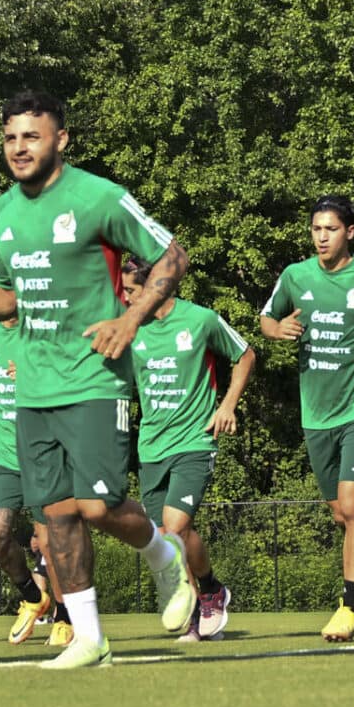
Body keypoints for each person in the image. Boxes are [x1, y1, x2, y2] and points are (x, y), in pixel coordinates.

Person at [0, 90, 200, 671]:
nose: (19, 148)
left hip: (93, 378)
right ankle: (90, 638)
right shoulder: (1, 211)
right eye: (10, 137)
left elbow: (173, 256)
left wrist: (130, 318)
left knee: (96, 503)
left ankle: (165, 555)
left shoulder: (98, 197)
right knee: (57, 515)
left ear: (60, 139)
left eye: (31, 136)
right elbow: (8, 290)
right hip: (33, 386)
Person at [260, 195, 354, 644]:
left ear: (350, 232)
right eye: (316, 229)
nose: (321, 236)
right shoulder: (295, 276)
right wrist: (279, 329)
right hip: (317, 414)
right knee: (343, 517)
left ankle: (350, 607)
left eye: (330, 229)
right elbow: (267, 319)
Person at [124, 257, 258, 639]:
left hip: (194, 441)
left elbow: (245, 355)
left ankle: (199, 608)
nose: (125, 297)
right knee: (168, 536)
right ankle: (211, 589)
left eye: (131, 290)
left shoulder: (201, 320)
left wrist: (228, 404)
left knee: (176, 527)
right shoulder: (131, 330)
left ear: (156, 287)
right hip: (151, 448)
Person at [0, 309, 61, 645]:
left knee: (51, 541)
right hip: (3, 455)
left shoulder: (44, 327)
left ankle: (66, 616)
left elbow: (72, 377)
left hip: (45, 452)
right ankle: (34, 598)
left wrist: (33, 374)